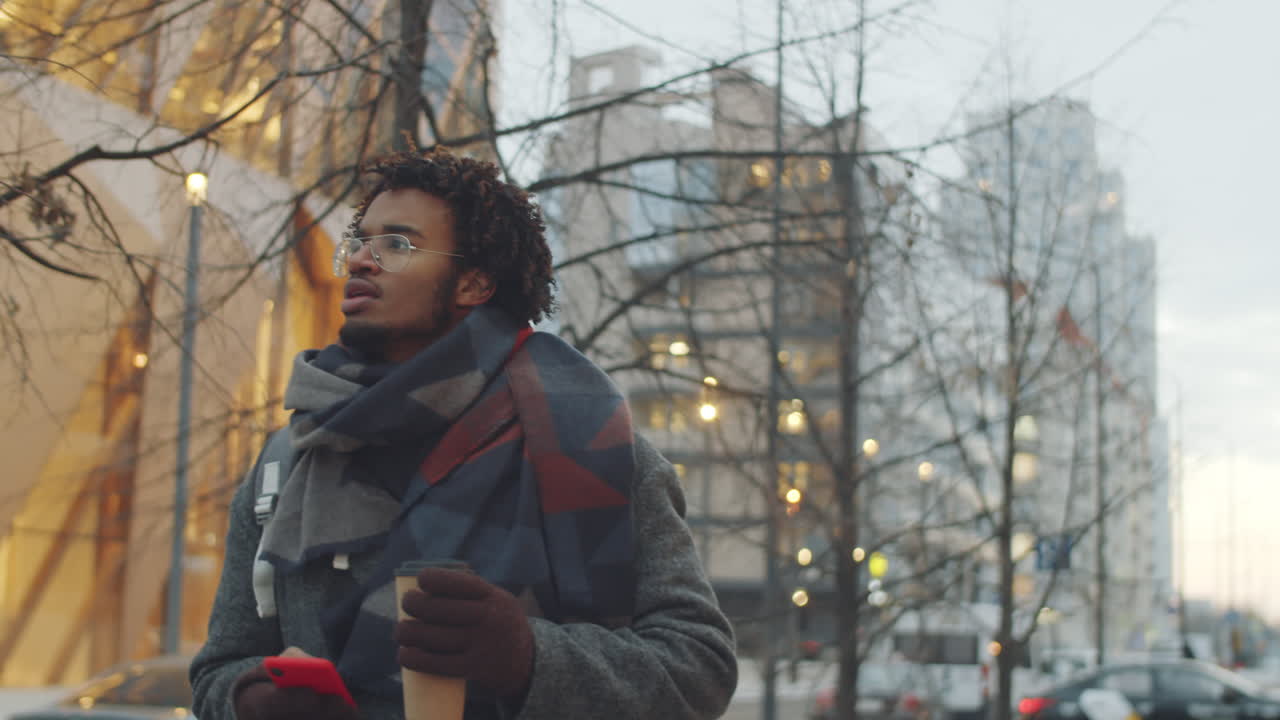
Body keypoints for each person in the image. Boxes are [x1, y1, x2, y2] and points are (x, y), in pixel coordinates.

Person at [189, 148, 738, 720]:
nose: (361, 262)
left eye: (397, 245)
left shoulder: (588, 445)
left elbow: (699, 667)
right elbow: (219, 668)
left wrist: (529, 656)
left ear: (473, 283)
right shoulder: (291, 456)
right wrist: (250, 702)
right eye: (358, 242)